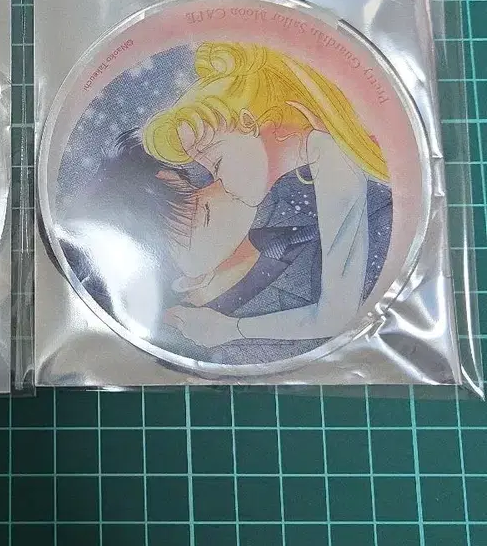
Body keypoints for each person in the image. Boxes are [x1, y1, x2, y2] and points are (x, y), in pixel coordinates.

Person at [138, 41, 393, 348]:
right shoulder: (301, 176)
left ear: (249, 124)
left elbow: (337, 315)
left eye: (217, 163)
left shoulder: (335, 161)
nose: (221, 183)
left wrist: (231, 329)